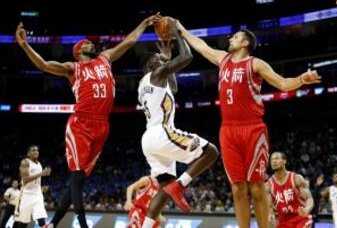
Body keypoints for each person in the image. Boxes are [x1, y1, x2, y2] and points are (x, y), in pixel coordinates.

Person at [15, 13, 161, 228]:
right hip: (80, 125)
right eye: (88, 44)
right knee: (76, 177)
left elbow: (129, 42)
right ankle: (83, 224)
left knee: (79, 179)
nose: (93, 44)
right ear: (79, 51)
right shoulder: (72, 68)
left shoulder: (105, 58)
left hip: (102, 124)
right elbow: (44, 64)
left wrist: (145, 23)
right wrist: (25, 44)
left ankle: (52, 224)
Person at [178, 23, 321, 228]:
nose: (230, 39)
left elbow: (281, 84)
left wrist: (301, 79)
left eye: (234, 37)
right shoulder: (222, 59)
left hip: (253, 129)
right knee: (237, 187)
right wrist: (182, 29)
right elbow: (200, 46)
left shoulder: (256, 64)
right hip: (228, 130)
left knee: (256, 187)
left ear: (245, 43)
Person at [137, 19, 218, 228]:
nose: (162, 61)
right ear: (150, 64)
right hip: (161, 133)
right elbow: (188, 57)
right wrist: (177, 33)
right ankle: (181, 185)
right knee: (211, 152)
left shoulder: (144, 84)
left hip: (148, 140)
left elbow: (173, 89)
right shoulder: (155, 74)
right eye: (158, 59)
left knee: (164, 191)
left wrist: (166, 60)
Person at [266, 152, 314, 228]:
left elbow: (309, 199)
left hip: (300, 218)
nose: (273, 161)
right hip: (284, 222)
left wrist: (306, 209)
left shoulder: (296, 178)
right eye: (271, 159)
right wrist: (271, 217)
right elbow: (269, 207)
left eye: (277, 158)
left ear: (284, 161)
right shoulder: (269, 185)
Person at [12, 145, 51, 228]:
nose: (36, 152)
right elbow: (25, 180)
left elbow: (37, 181)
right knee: (22, 222)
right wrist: (41, 173)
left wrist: (41, 188)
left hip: (37, 194)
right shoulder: (25, 162)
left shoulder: (39, 164)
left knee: (41, 219)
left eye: (37, 150)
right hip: (26, 195)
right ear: (28, 153)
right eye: (33, 150)